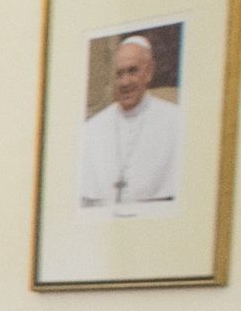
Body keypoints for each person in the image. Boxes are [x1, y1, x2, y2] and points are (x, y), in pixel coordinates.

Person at [77, 32, 182, 214]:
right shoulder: (92, 128)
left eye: (133, 71)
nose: (125, 82)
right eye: (119, 74)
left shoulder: (175, 121)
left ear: (149, 72)